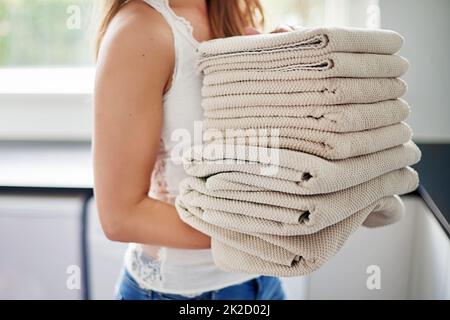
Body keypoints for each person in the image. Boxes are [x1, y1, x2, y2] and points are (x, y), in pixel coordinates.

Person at [94, 0, 294, 300]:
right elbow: (120, 217)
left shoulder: (232, 12)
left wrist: (295, 65)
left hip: (263, 281)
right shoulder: (139, 30)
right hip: (181, 294)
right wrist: (267, 226)